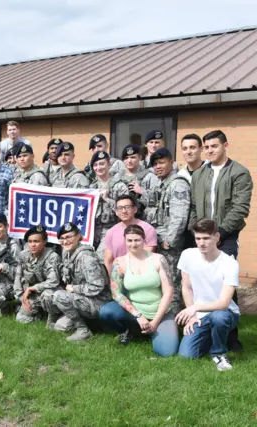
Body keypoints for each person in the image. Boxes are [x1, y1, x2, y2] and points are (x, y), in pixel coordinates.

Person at [189, 129, 252, 352]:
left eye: (214, 146)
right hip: (203, 236)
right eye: (206, 147)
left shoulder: (239, 172)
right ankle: (202, 329)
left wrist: (220, 233)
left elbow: (240, 208)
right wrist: (197, 232)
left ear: (225, 146)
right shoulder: (198, 174)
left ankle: (231, 336)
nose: (209, 151)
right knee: (201, 281)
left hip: (226, 236)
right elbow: (195, 208)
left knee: (227, 284)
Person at [99, 224, 179, 356]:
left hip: (160, 312)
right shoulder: (119, 262)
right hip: (135, 314)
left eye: (137, 240)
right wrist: (139, 315)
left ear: (144, 239)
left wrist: (155, 321)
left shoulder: (158, 259)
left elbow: (169, 291)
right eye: (129, 240)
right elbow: (116, 293)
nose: (133, 244)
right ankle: (131, 330)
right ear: (125, 241)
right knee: (107, 311)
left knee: (167, 352)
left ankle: (152, 330)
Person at [176, 219, 241, 371]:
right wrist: (192, 315)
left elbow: (224, 303)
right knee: (187, 355)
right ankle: (211, 338)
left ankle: (218, 353)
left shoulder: (229, 263)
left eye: (206, 238)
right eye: (198, 238)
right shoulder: (187, 255)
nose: (201, 243)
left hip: (226, 313)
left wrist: (195, 307)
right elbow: (186, 287)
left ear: (217, 237)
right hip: (199, 314)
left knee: (219, 317)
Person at [147, 148, 190, 310]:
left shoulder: (177, 184)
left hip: (169, 246)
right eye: (155, 163)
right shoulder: (161, 183)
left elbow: (179, 217)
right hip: (157, 241)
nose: (158, 166)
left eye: (162, 162)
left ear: (172, 162)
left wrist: (168, 242)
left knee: (171, 282)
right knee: (161, 281)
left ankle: (173, 322)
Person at [52, 222, 110, 341]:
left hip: (100, 301)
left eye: (69, 237)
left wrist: (74, 289)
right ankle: (91, 324)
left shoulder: (86, 257)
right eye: (62, 238)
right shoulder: (68, 253)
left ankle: (83, 330)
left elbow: (97, 286)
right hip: (85, 297)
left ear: (79, 236)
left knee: (59, 296)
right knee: (61, 327)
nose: (65, 241)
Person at [15, 225, 62, 325]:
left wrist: (32, 288)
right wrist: (21, 297)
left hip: (50, 292)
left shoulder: (53, 257)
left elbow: (53, 281)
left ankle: (52, 317)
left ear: (44, 242)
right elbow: (18, 276)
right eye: (30, 241)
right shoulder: (23, 255)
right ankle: (38, 313)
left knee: (47, 295)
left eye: (36, 241)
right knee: (21, 319)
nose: (32, 245)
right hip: (34, 295)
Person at [88, 151, 128, 260]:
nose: (99, 167)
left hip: (112, 229)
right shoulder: (90, 187)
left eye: (102, 164)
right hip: (92, 230)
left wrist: (107, 199)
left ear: (109, 164)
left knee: (100, 260)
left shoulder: (120, 186)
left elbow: (126, 211)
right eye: (95, 165)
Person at [104, 195, 157, 274]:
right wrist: (111, 282)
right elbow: (108, 261)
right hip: (118, 275)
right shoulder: (111, 232)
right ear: (116, 212)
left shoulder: (148, 229)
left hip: (141, 274)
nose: (124, 211)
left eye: (127, 207)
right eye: (120, 208)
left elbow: (145, 257)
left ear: (135, 209)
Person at [117, 144, 159, 219]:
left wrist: (142, 191)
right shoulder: (117, 177)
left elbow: (158, 200)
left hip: (144, 220)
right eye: (126, 158)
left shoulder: (149, 176)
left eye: (133, 157)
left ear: (140, 157)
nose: (129, 161)